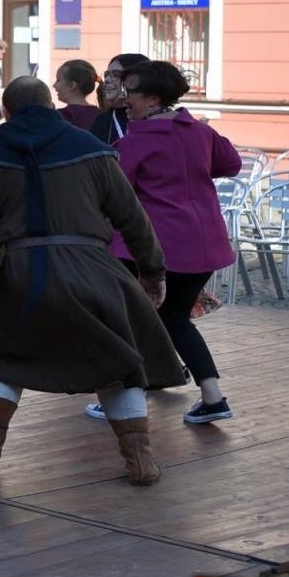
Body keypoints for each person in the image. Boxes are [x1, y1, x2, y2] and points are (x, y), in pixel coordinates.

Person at [0, 77, 183, 484]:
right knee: (119, 361)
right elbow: (132, 217)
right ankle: (140, 461)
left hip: (19, 275)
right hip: (91, 268)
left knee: (3, 357)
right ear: (49, 106)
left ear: (6, 112)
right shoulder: (92, 149)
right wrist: (153, 271)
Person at [92, 61, 241, 427]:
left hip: (152, 248)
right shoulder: (200, 131)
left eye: (132, 93)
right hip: (203, 244)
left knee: (132, 319)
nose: (126, 100)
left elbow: (114, 191)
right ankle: (212, 397)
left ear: (154, 98)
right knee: (173, 318)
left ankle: (129, 395)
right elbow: (231, 163)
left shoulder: (136, 140)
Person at [88, 53, 149, 144]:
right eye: (107, 74)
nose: (107, 79)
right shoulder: (101, 121)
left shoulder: (158, 118)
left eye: (116, 74)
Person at [54, 59, 101, 132]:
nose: (54, 85)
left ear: (72, 85)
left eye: (58, 80)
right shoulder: (100, 114)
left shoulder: (62, 116)